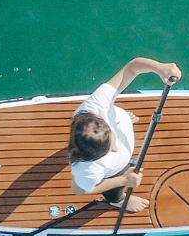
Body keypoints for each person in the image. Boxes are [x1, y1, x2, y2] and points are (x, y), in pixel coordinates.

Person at [68, 57, 181, 213]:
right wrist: (123, 180)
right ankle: (119, 201)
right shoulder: (88, 169)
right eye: (109, 149)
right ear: (92, 157)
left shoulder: (96, 104)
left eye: (112, 139)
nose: (116, 148)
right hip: (116, 170)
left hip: (98, 143)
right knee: (113, 191)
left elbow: (132, 68)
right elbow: (79, 189)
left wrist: (159, 68)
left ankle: (123, 121)